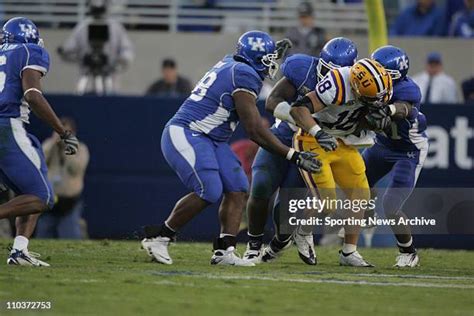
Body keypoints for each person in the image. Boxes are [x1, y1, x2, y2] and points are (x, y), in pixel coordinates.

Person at [141, 30, 321, 266]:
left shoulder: (234, 63)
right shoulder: (244, 75)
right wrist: (293, 155)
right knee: (210, 189)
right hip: (188, 132)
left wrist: (270, 50)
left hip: (211, 138)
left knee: (237, 188)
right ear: (255, 59)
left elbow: (248, 57)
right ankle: (160, 236)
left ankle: (225, 251)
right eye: (267, 59)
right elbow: (255, 130)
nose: (271, 64)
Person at [243, 37, 358, 265]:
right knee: (261, 185)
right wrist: (303, 120)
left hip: (315, 145)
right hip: (287, 134)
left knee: (287, 208)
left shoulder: (358, 84)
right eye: (326, 70)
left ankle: (280, 241)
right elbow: (272, 102)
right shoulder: (302, 69)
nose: (329, 78)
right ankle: (253, 245)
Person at [274, 58, 394, 267]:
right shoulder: (338, 83)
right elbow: (298, 109)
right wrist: (317, 132)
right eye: (373, 98)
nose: (378, 101)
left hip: (343, 140)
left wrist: (378, 122)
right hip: (315, 138)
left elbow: (364, 118)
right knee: (326, 202)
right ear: (356, 88)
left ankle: (348, 252)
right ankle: (303, 232)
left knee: (361, 195)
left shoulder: (377, 87)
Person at [0, 17, 79, 266]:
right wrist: (62, 131)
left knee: (32, 189)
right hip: (8, 125)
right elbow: (32, 95)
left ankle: (19, 250)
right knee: (43, 197)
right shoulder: (29, 51)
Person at [363, 45, 429, 267]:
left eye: (381, 71)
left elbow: (404, 108)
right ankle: (367, 212)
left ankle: (408, 252)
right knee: (356, 182)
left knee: (391, 206)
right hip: (382, 144)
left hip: (408, 151)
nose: (375, 74)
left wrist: (388, 111)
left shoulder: (407, 89)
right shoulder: (370, 81)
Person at [57, 0, 134, 95]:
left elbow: (127, 50)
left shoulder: (115, 27)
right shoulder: (83, 26)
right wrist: (66, 52)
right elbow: (69, 48)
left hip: (109, 76)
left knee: (110, 102)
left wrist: (119, 62)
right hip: (87, 75)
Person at [36, 118, 89, 239]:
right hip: (49, 202)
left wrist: (69, 146)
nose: (63, 135)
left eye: (66, 132)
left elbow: (75, 169)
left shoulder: (81, 148)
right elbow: (39, 161)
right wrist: (53, 142)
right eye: (60, 131)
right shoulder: (50, 145)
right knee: (42, 236)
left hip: (69, 202)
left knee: (71, 237)